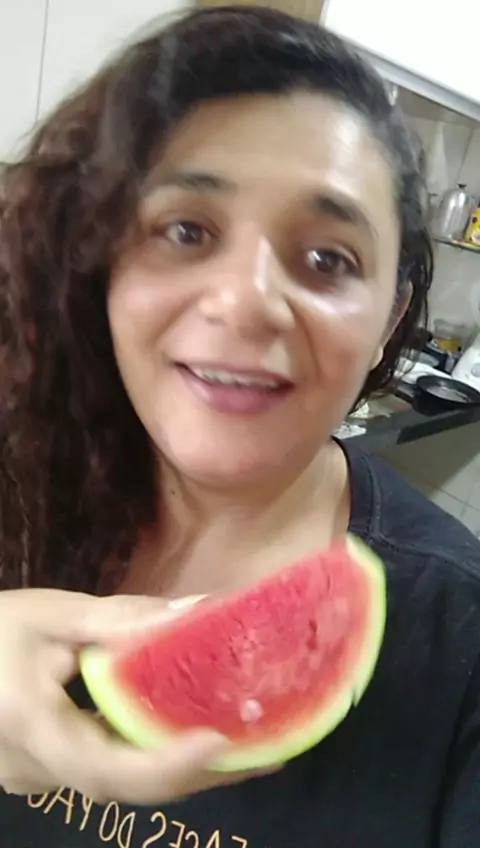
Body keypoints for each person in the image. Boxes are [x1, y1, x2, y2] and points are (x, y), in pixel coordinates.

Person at [0, 5, 480, 846]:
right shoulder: (16, 474)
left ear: (391, 318)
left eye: (328, 258)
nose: (246, 301)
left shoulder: (461, 645)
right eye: (186, 230)